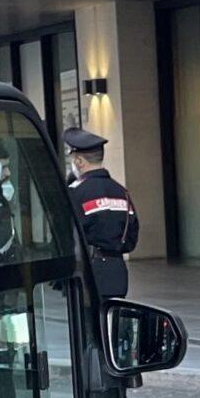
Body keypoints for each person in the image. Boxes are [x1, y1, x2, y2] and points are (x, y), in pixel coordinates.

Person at [63, 126, 138, 298]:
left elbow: (65, 234)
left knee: (89, 323)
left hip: (87, 271)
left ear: (80, 161)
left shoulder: (76, 193)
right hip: (117, 272)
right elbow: (132, 235)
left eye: (73, 158)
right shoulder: (121, 192)